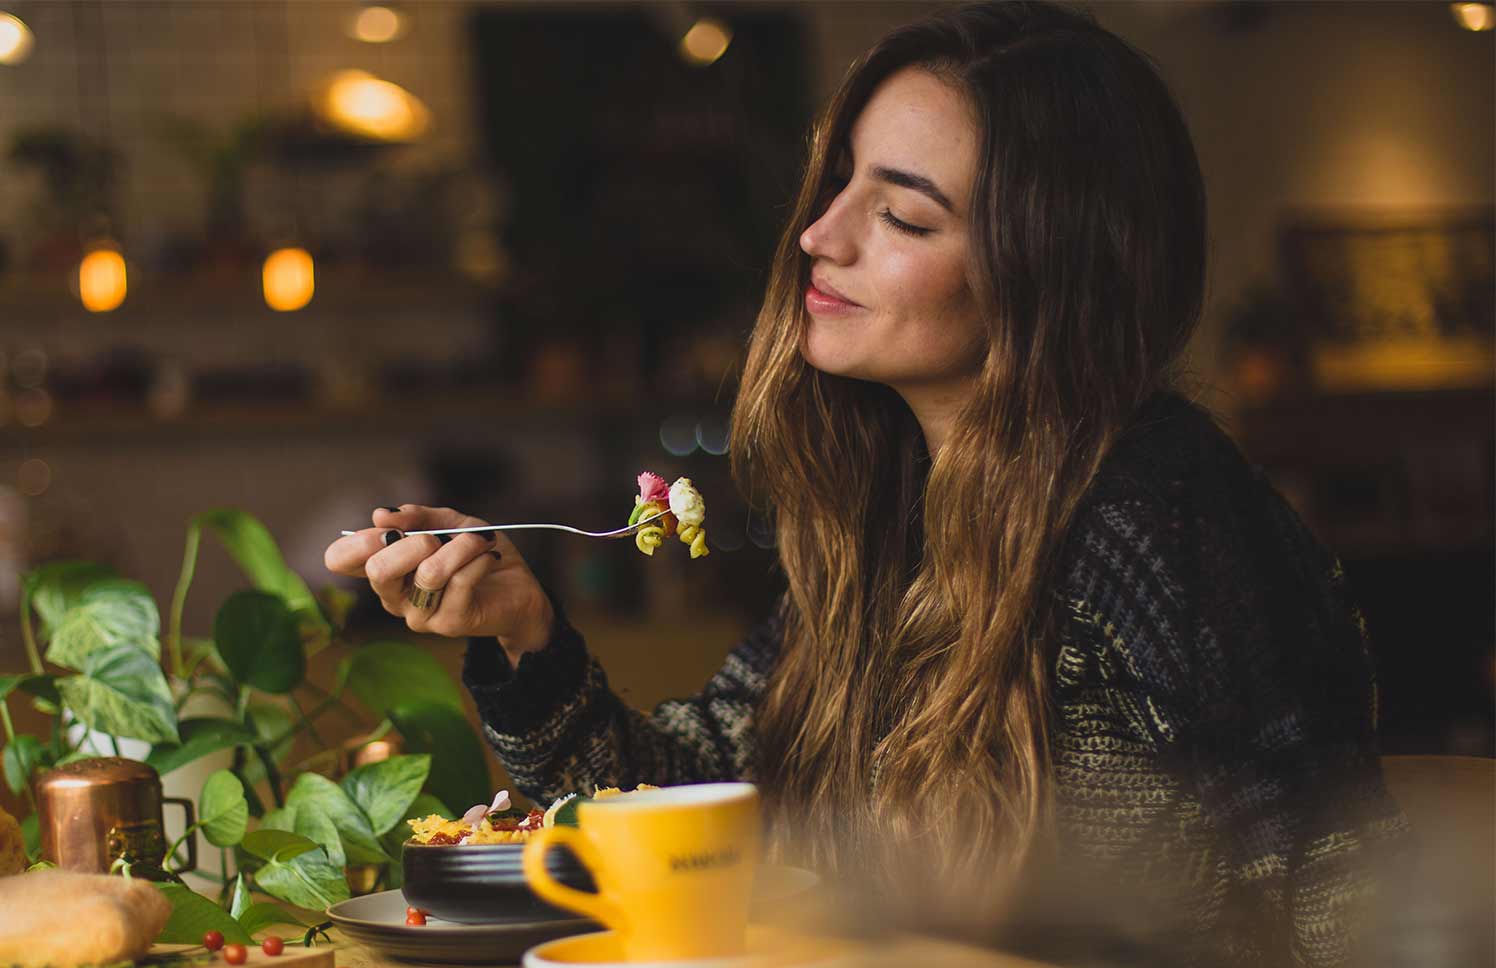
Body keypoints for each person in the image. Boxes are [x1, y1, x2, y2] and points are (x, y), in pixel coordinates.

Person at [325, 2, 1404, 963]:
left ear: (1049, 274)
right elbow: (699, 797)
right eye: (840, 180)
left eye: (903, 215)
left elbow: (1332, 898)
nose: (816, 233)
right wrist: (525, 633)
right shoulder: (897, 518)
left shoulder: (1158, 524)